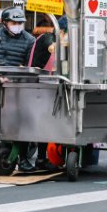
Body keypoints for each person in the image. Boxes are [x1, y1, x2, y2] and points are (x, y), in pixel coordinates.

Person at [0, 6, 36, 172]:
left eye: (20, 22)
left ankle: (23, 157)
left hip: (17, 86)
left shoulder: (29, 40)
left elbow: (31, 64)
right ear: (5, 23)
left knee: (20, 118)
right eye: (14, 22)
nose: (17, 25)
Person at [28, 16, 68, 171]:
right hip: (35, 86)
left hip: (45, 85)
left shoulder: (53, 38)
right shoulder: (48, 38)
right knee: (38, 123)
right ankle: (30, 158)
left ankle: (41, 158)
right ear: (62, 31)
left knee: (46, 123)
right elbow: (53, 48)